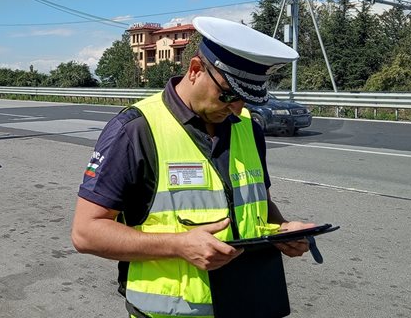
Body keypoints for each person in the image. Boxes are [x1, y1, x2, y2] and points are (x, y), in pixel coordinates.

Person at [71, 16, 314, 318]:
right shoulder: (135, 130)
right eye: (228, 94)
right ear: (196, 70)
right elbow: (86, 232)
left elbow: (256, 203)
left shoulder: (247, 127)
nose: (236, 108)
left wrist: (281, 230)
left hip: (251, 303)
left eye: (245, 99)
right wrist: (178, 245)